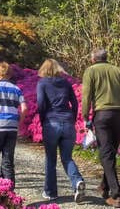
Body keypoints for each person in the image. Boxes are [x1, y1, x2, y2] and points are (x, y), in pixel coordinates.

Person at [81, 49, 120, 208]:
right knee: (110, 152)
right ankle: (104, 186)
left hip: (102, 115)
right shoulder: (118, 70)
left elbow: (86, 95)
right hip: (119, 114)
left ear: (93, 59)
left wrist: (85, 117)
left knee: (106, 154)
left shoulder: (90, 71)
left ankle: (116, 194)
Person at [36, 59, 87, 202]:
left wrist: (43, 120)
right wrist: (73, 118)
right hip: (68, 123)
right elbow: (75, 102)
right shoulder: (66, 83)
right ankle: (77, 182)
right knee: (67, 158)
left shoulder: (42, 83)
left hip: (51, 123)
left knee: (51, 159)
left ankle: (51, 192)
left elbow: (41, 104)